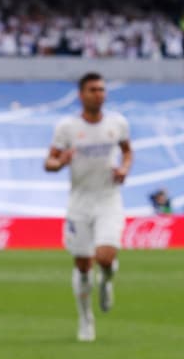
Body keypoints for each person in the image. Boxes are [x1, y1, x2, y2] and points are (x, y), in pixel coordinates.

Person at [44, 72, 132, 342]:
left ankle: (106, 280)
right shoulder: (67, 128)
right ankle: (86, 319)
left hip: (108, 199)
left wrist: (124, 168)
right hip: (80, 202)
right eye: (93, 89)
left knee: (104, 257)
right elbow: (49, 162)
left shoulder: (117, 123)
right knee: (83, 264)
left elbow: (127, 150)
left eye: (102, 89)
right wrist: (61, 162)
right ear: (81, 95)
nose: (99, 94)